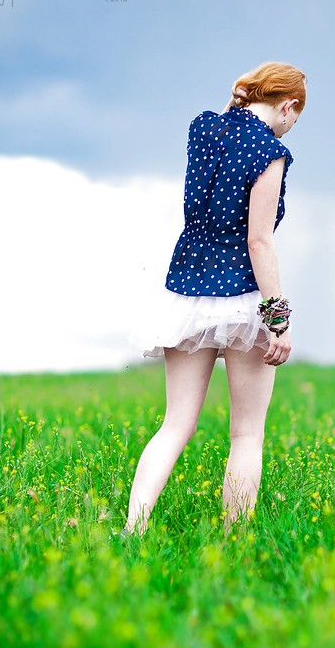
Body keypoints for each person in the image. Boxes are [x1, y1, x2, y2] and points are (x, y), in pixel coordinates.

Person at [121, 62, 307, 538]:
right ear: (288, 107)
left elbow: (228, 116)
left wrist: (241, 99)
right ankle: (233, 541)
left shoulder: (202, 128)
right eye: (294, 117)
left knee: (174, 425)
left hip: (188, 293)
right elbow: (259, 242)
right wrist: (279, 321)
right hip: (244, 299)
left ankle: (132, 529)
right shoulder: (272, 152)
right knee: (246, 433)